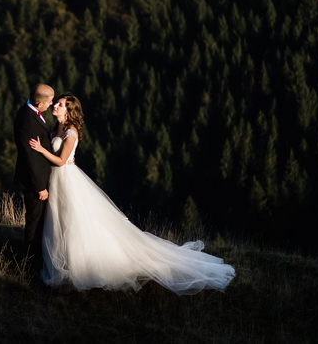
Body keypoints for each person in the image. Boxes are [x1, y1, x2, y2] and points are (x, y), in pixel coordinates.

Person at [29, 94, 235, 294]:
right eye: (56, 103)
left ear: (69, 110)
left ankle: (79, 268)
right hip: (59, 180)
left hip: (66, 179)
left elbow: (61, 160)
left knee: (73, 222)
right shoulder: (57, 127)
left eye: (61, 104)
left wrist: (40, 150)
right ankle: (63, 266)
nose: (55, 105)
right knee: (59, 221)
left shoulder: (71, 132)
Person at [13, 83, 55, 259]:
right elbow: (30, 157)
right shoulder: (27, 121)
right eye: (50, 102)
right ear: (39, 104)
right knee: (34, 222)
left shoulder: (31, 112)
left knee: (39, 220)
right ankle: (29, 261)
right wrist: (39, 187)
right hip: (34, 182)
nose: (51, 104)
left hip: (41, 177)